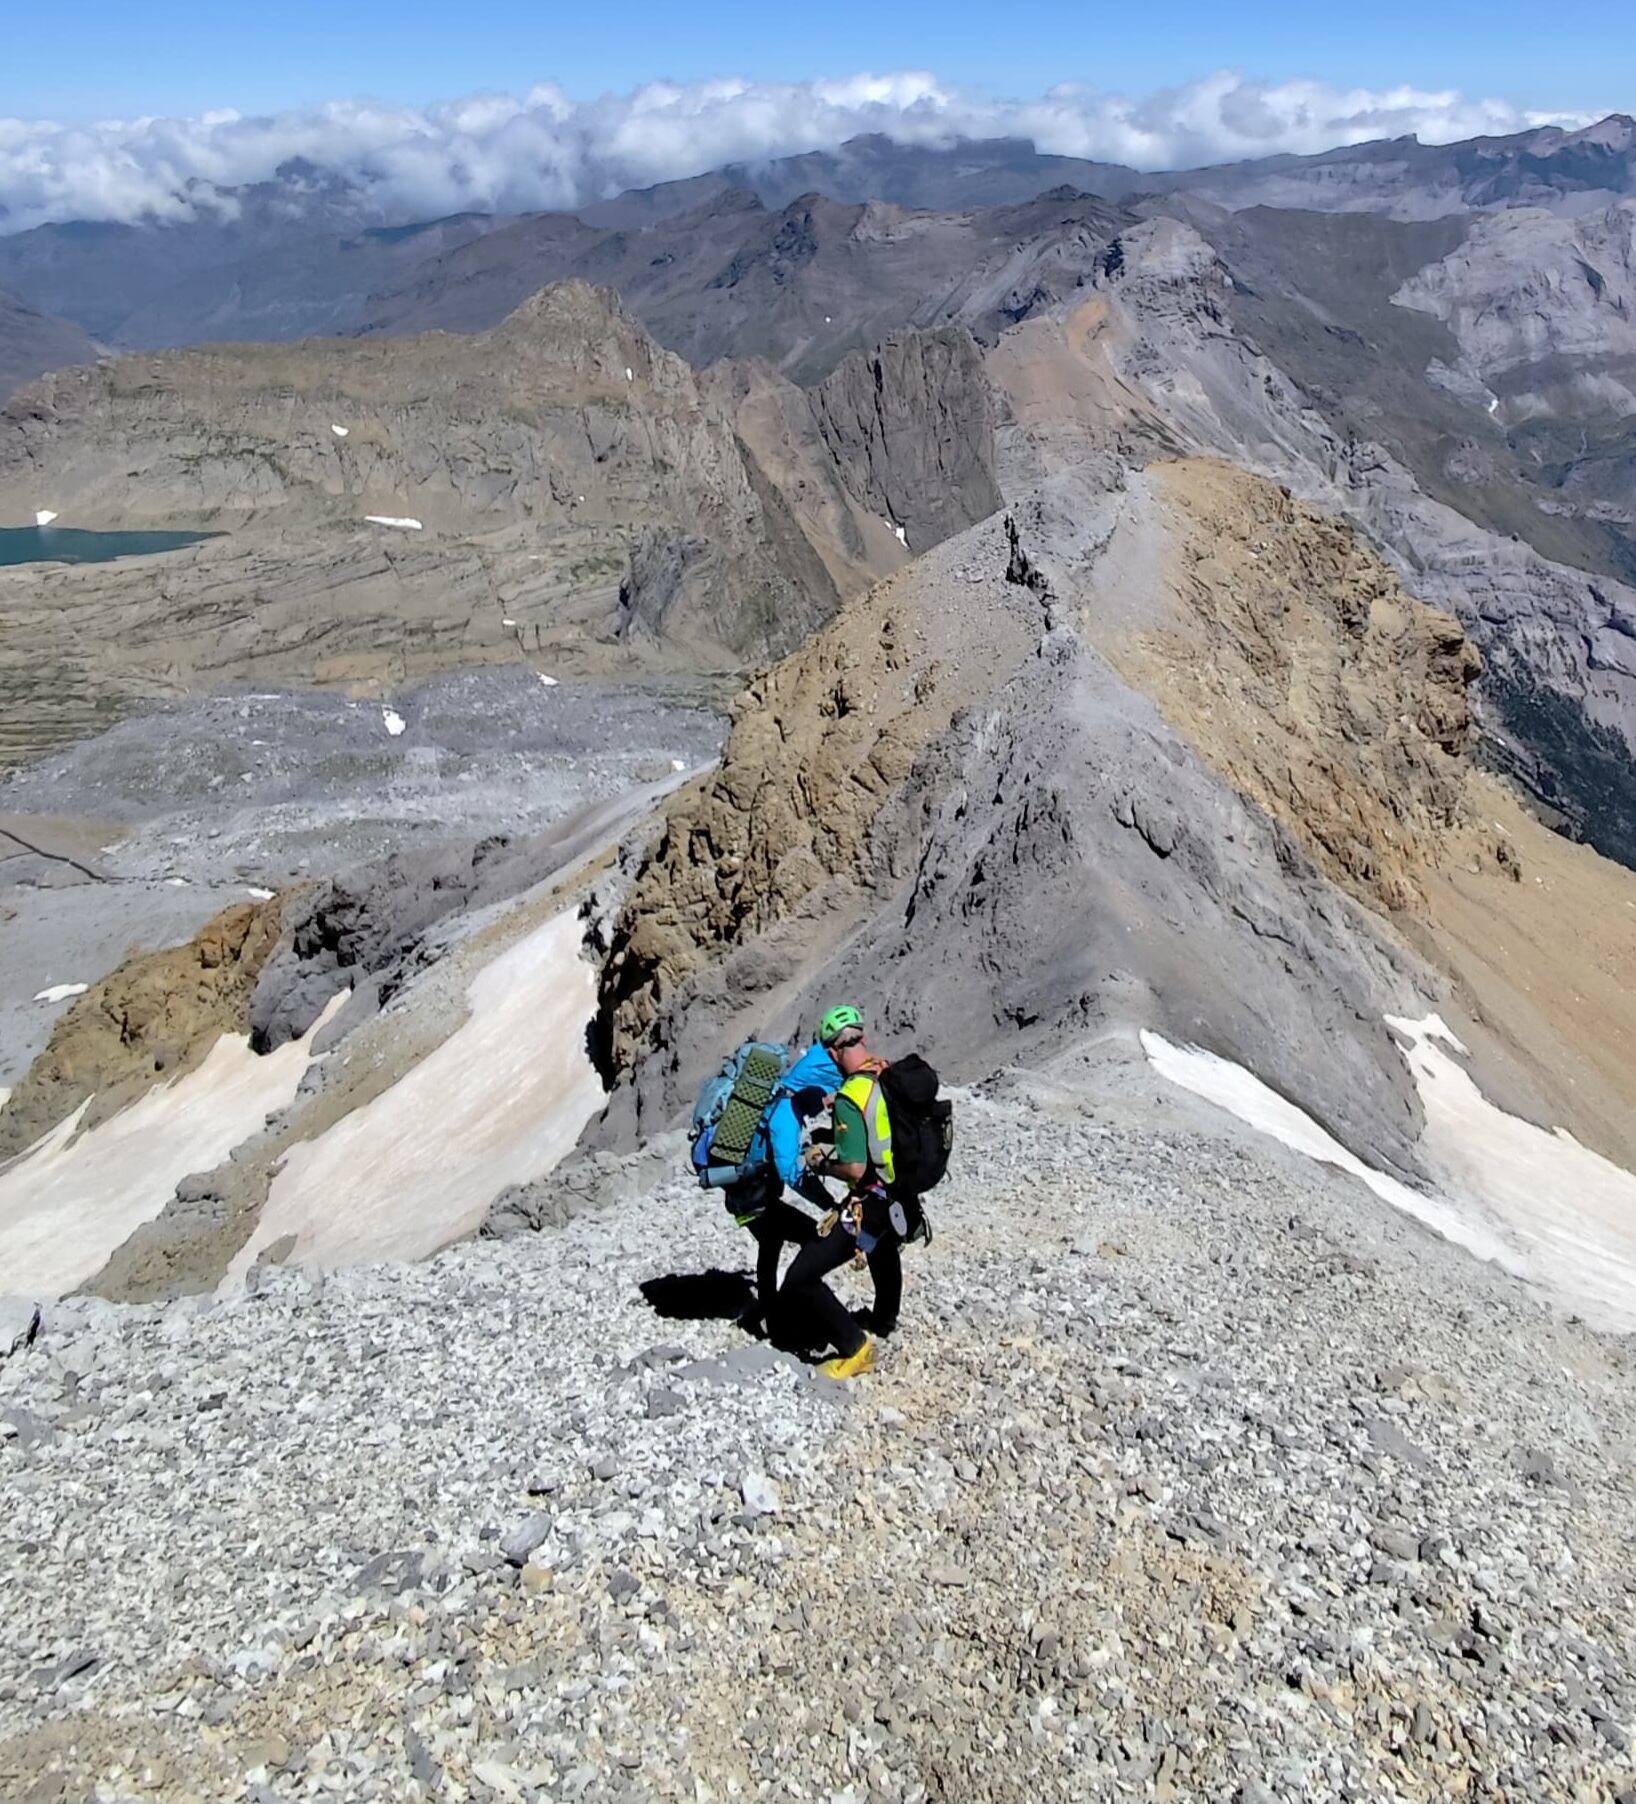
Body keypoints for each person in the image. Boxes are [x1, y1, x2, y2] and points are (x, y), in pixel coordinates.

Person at [779, 1017, 923, 1379]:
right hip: (899, 1193)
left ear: (831, 1052)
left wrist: (821, 1162)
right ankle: (885, 1318)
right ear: (863, 1038)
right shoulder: (885, 1072)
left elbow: (855, 1169)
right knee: (882, 1245)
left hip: (869, 1201)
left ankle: (854, 1347)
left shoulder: (849, 1096)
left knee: (800, 1278)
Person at [723, 1006, 864, 1336]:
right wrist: (827, 1202)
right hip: (754, 1203)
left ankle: (763, 1317)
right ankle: (789, 1316)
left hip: (748, 1198)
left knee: (770, 1247)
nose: (826, 1104)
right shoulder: (785, 1118)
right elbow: (789, 1172)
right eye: (823, 1100)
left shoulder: (788, 1106)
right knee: (811, 1237)